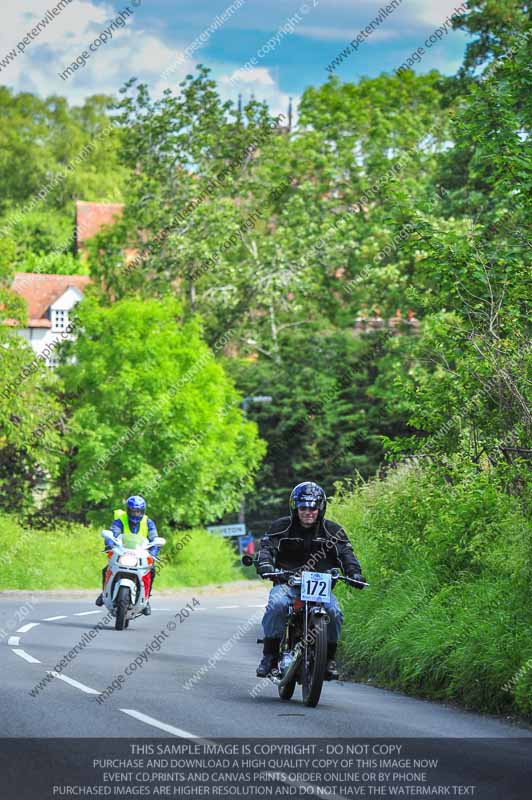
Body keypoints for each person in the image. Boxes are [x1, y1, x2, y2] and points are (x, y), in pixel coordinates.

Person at [255, 481, 365, 679]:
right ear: (295, 507)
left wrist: (354, 573)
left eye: (313, 507)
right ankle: (269, 656)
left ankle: (328, 660)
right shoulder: (280, 527)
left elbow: (347, 554)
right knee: (276, 605)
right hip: (287, 584)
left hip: (319, 589)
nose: (308, 511)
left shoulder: (333, 531)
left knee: (334, 612)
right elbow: (266, 549)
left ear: (321, 508)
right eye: (303, 507)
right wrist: (265, 565)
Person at [95, 495, 161, 614]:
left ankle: (146, 600)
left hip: (140, 554)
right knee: (106, 569)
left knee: (152, 571)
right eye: (132, 511)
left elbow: (154, 539)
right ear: (127, 510)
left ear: (143, 511)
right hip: (123, 553)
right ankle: (104, 592)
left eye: (138, 511)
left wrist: (153, 553)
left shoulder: (148, 522)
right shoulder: (120, 520)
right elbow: (113, 534)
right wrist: (109, 545)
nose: (135, 514)